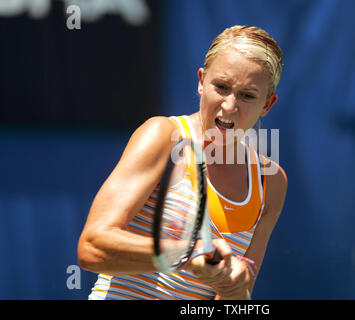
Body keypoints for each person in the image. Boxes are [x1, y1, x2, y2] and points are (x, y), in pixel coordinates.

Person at [78, 25, 288, 300]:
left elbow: (235, 298)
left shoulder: (271, 181)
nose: (229, 106)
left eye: (247, 95)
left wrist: (233, 286)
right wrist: (187, 253)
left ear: (267, 105)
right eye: (221, 87)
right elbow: (92, 248)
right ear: (201, 81)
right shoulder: (162, 136)